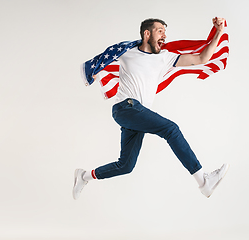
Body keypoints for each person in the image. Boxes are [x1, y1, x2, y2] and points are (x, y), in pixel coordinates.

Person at [73, 17, 229, 199]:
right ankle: (203, 181)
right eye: (160, 31)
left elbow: (202, 58)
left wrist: (218, 32)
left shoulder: (165, 58)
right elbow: (105, 57)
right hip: (126, 108)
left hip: (137, 114)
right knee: (171, 129)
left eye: (165, 31)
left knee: (126, 166)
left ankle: (83, 176)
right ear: (147, 33)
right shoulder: (127, 51)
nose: (164, 35)